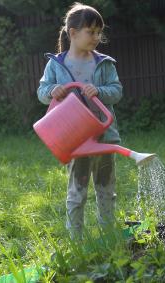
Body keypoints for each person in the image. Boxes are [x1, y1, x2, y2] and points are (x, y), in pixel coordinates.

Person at [37, 2, 123, 239]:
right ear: (73, 33)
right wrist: (53, 89)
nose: (96, 37)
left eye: (99, 32)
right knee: (78, 190)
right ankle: (76, 239)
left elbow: (116, 91)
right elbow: (42, 93)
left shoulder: (103, 63)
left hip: (104, 136)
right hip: (75, 138)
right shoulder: (56, 64)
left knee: (106, 189)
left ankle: (108, 235)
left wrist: (99, 91)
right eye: (91, 31)